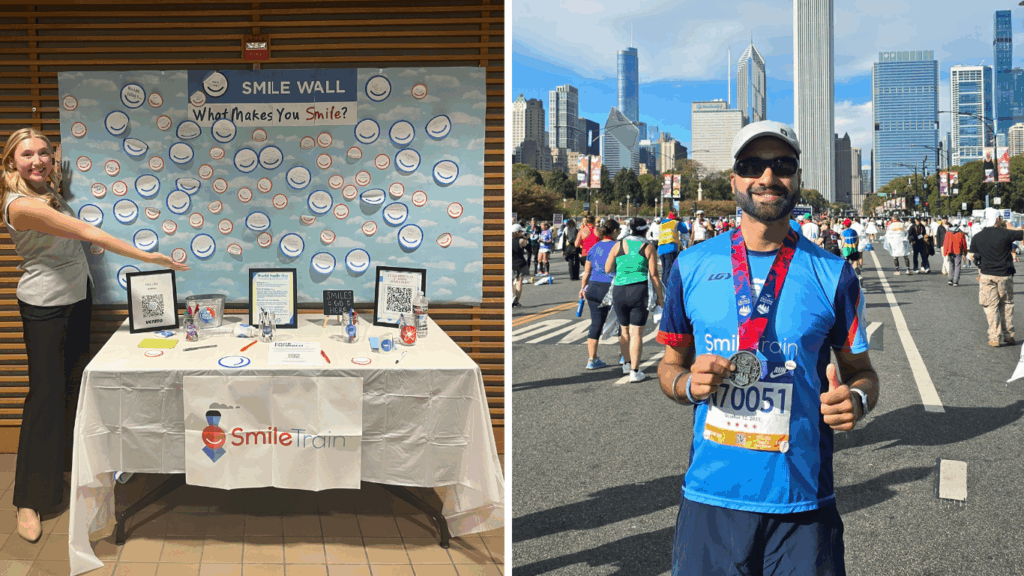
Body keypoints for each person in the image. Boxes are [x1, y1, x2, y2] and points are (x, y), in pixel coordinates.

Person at [657, 120, 876, 575]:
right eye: (752, 165)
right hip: (710, 498)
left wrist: (855, 399)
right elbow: (669, 366)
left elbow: (862, 373)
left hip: (802, 500)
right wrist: (686, 385)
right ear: (734, 179)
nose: (767, 177)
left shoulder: (835, 274)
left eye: (782, 165)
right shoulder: (690, 266)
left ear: (797, 178)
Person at [0, 128, 189, 543]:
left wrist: (59, 161)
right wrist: (149, 258)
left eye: (45, 154)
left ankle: (61, 475)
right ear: (10, 163)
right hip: (45, 306)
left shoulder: (48, 190)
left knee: (71, 388)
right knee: (44, 398)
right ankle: (28, 500)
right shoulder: (22, 206)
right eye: (26, 155)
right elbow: (89, 234)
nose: (38, 161)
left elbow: (53, 173)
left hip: (76, 297)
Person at [605, 217, 664, 382]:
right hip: (639, 290)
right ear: (645, 230)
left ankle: (626, 364)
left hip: (619, 290)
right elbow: (654, 276)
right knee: (636, 333)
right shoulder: (648, 247)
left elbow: (608, 268)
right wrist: (660, 299)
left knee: (623, 330)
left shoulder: (619, 245)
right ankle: (635, 371)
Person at [968, 215, 1023, 347]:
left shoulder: (978, 236)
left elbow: (971, 255)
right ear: (997, 220)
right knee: (1007, 303)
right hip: (1005, 274)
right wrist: (1012, 227)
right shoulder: (1006, 233)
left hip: (987, 274)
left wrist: (979, 262)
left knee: (990, 306)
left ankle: (994, 337)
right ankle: (1008, 334)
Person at [578, 219, 621, 369]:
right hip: (611, 286)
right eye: (619, 230)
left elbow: (587, 272)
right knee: (622, 322)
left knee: (596, 323)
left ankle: (592, 359)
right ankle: (625, 357)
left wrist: (583, 288)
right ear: (614, 231)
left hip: (594, 287)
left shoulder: (594, 247)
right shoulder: (618, 246)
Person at [657, 212, 684, 289]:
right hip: (670, 247)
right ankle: (667, 288)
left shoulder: (662, 224)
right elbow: (684, 229)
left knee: (665, 270)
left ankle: (663, 286)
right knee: (670, 269)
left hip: (661, 248)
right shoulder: (675, 222)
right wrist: (680, 220)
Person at [942, 221, 968, 287]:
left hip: (950, 250)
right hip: (958, 250)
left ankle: (950, 279)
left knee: (951, 264)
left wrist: (945, 252)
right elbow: (964, 243)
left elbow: (945, 243)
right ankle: (955, 281)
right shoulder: (961, 233)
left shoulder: (948, 232)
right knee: (957, 266)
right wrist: (965, 251)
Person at [511, 224, 529, 307]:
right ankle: (516, 301)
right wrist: (526, 238)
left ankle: (511, 297)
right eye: (521, 231)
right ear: (517, 232)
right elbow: (528, 247)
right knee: (519, 283)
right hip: (521, 263)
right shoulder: (521, 241)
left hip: (510, 264)